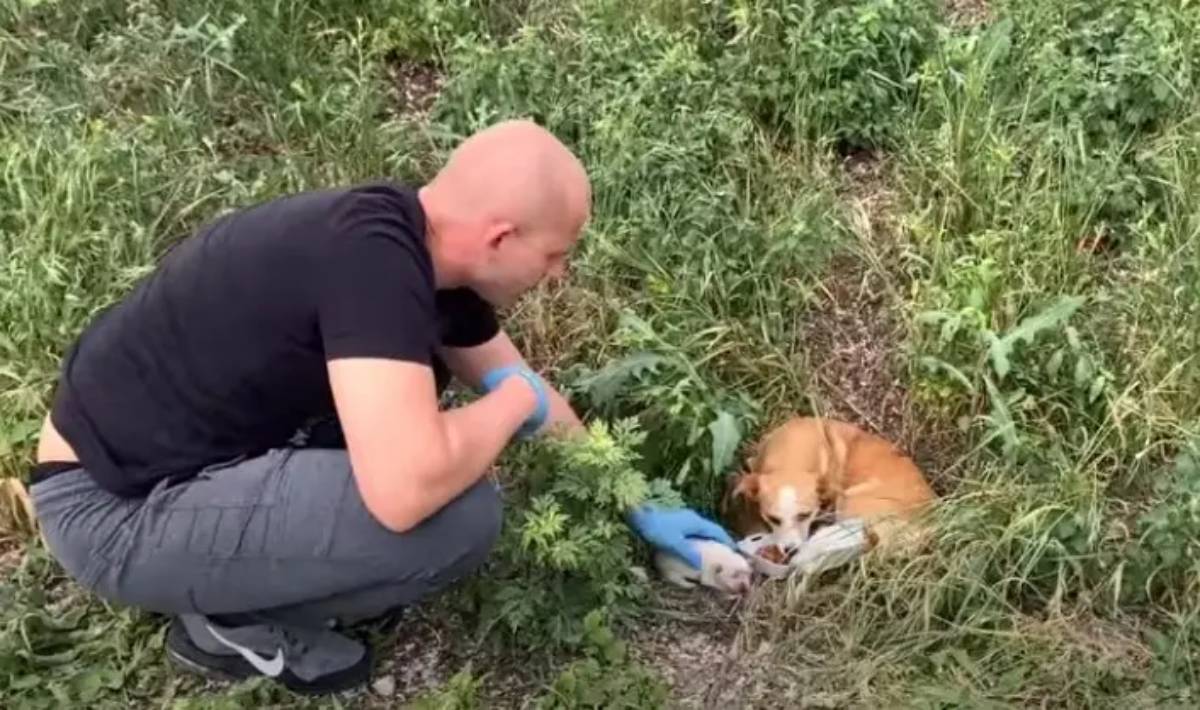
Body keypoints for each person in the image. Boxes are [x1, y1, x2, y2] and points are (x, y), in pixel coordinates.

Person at [28, 119, 735, 695]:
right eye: (555, 256)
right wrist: (510, 401)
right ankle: (229, 617)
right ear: (499, 237)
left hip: (164, 468)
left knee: (414, 430)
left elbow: (524, 388)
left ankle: (244, 570)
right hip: (112, 511)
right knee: (455, 517)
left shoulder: (415, 249)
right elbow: (406, 490)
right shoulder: (371, 265)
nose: (559, 276)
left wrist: (639, 505)